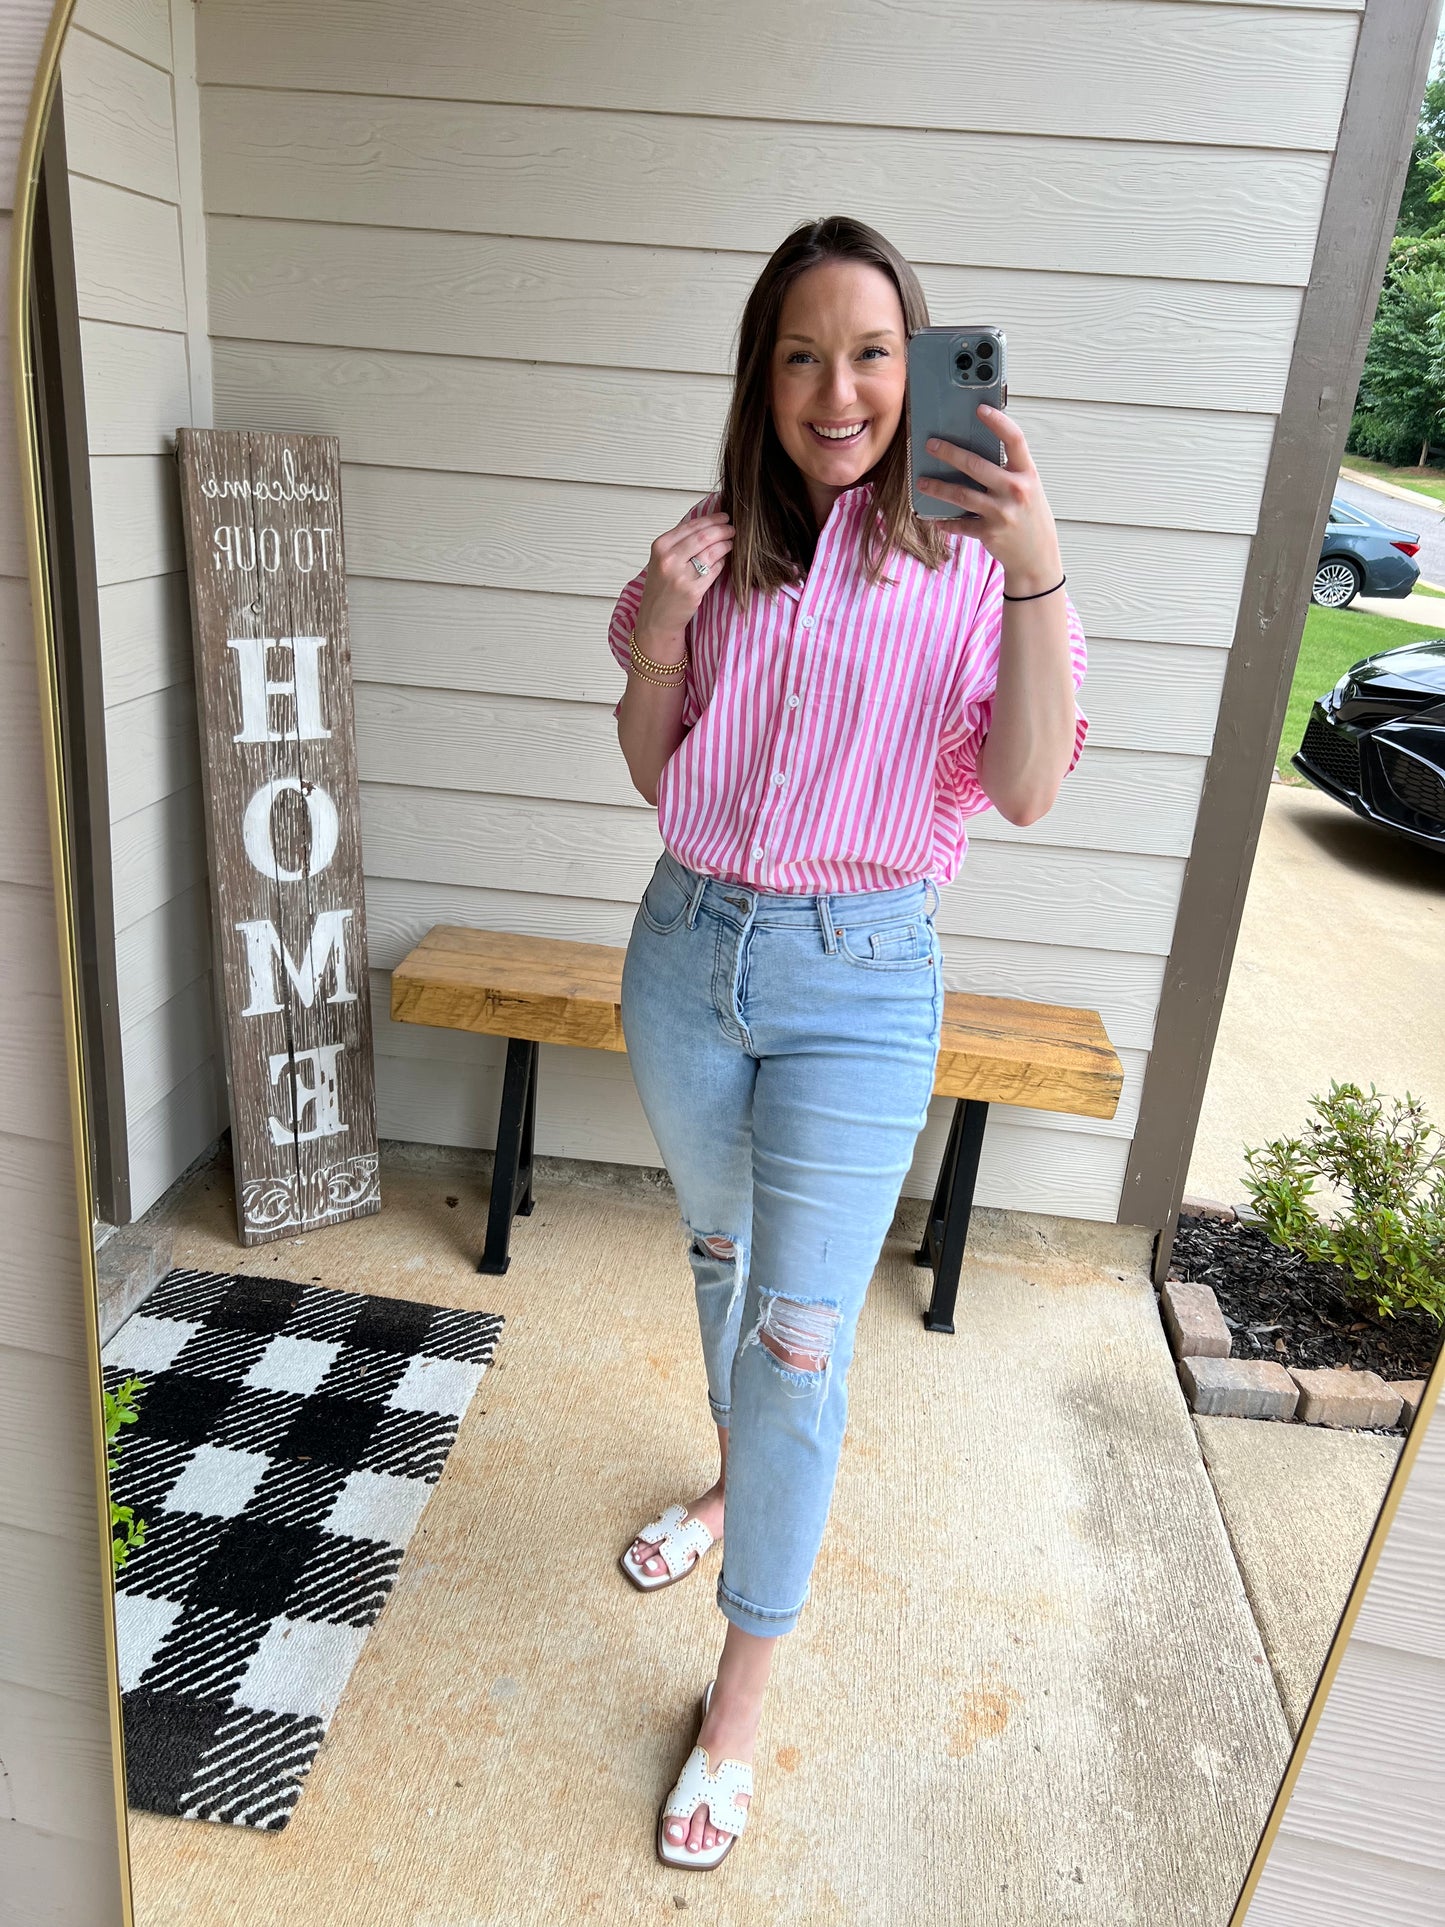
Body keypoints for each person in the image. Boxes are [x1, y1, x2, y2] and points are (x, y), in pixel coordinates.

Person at [606, 214, 1089, 1870]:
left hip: (859, 975)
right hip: (684, 949)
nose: (838, 388)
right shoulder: (712, 539)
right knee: (719, 1255)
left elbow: (1023, 784)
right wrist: (667, 623)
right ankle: (733, 1487)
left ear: (922, 366)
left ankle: (738, 1696)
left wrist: (1031, 561)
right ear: (762, 372)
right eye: (801, 352)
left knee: (801, 1338)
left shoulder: (976, 562)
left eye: (872, 352)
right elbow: (654, 766)